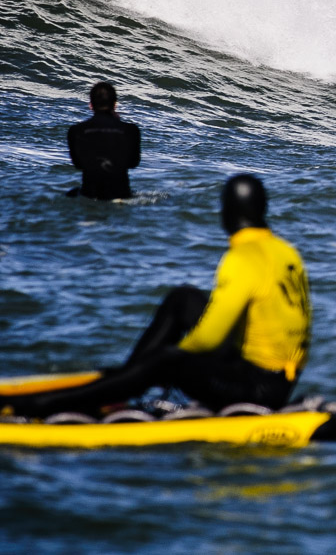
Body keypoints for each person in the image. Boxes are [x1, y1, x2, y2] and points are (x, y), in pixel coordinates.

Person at [3, 175, 311, 419]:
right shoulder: (286, 251)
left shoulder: (242, 257)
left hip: (256, 389)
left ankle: (37, 405)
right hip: (276, 377)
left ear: (227, 213)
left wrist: (165, 361)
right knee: (185, 299)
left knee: (168, 360)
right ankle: (127, 379)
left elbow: (208, 340)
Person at [67, 81, 141, 200]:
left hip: (89, 193)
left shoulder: (76, 130)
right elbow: (133, 163)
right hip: (121, 193)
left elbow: (78, 164)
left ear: (90, 105)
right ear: (115, 104)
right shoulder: (131, 130)